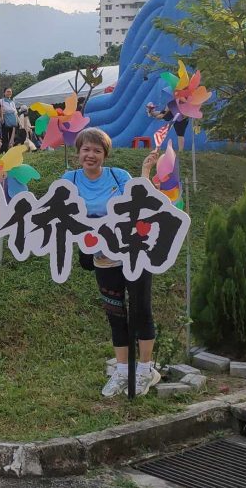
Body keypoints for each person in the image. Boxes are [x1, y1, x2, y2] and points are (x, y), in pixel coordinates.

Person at [63, 128, 161, 398]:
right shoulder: (68, 180)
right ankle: (121, 371)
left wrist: (145, 173)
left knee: (141, 311)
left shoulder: (119, 177)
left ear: (105, 154)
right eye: (86, 149)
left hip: (134, 255)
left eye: (97, 150)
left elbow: (141, 203)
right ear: (78, 152)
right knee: (115, 314)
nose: (90, 155)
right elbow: (64, 217)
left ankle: (144, 370)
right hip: (103, 259)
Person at [0, 87, 19, 152]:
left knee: (11, 136)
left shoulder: (12, 102)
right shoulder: (1, 100)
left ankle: (8, 150)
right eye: (7, 91)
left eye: (10, 91)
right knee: (5, 136)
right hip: (5, 120)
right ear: (4, 93)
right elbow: (1, 109)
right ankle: (3, 149)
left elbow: (15, 111)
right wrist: (2, 117)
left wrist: (17, 119)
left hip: (12, 120)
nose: (9, 93)